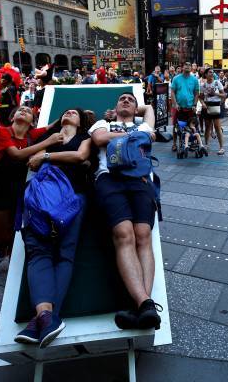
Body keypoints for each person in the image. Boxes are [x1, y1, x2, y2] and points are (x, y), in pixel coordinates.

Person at [15, 108, 93, 348]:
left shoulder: (85, 139)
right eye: (66, 111)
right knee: (38, 253)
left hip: (73, 198)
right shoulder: (45, 139)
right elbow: (31, 161)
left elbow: (81, 157)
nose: (69, 112)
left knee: (65, 254)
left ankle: (40, 319)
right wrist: (48, 143)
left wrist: (47, 156)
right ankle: (46, 317)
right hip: (40, 197)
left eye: (74, 113)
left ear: (80, 122)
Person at [89, 93, 163, 330]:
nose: (126, 101)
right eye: (122, 99)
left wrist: (136, 118)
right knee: (124, 234)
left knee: (143, 235)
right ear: (114, 106)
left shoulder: (143, 123)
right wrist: (135, 135)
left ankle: (144, 306)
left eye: (130, 99)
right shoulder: (104, 123)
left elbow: (150, 107)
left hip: (140, 180)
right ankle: (145, 304)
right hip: (109, 179)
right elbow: (100, 139)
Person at [0, 107, 62, 274]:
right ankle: (0, 254)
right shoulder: (1, 132)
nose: (24, 110)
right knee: (0, 237)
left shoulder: (31, 135)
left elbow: (52, 126)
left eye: (27, 110)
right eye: (20, 109)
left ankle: (12, 268)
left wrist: (70, 112)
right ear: (13, 118)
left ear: (32, 121)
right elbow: (16, 155)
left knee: (13, 231)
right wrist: (48, 142)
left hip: (18, 189)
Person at [170, 63, 199, 152]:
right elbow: (173, 92)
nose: (187, 67)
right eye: (185, 65)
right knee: (175, 125)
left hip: (190, 107)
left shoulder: (194, 79)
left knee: (192, 125)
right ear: (182, 68)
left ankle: (192, 142)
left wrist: (194, 104)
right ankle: (174, 143)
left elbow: (196, 93)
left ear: (191, 68)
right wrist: (175, 104)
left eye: (189, 66)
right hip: (178, 107)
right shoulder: (176, 78)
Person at [200, 68, 226, 155]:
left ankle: (221, 147)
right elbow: (200, 97)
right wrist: (202, 103)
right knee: (207, 127)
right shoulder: (203, 85)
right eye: (210, 72)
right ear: (206, 74)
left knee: (217, 127)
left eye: (213, 72)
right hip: (207, 106)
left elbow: (224, 95)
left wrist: (215, 94)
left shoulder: (217, 82)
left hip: (215, 106)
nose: (212, 74)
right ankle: (206, 145)